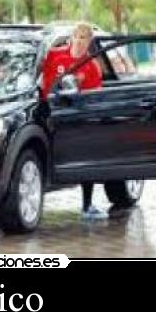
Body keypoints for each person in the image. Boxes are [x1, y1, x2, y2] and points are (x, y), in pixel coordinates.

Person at [41, 22, 105, 221]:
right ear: (71, 37)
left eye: (84, 38)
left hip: (76, 117)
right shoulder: (54, 55)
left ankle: (87, 205)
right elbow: (39, 77)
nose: (79, 41)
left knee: (88, 156)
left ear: (89, 42)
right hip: (50, 112)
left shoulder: (92, 66)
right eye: (77, 37)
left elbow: (95, 97)